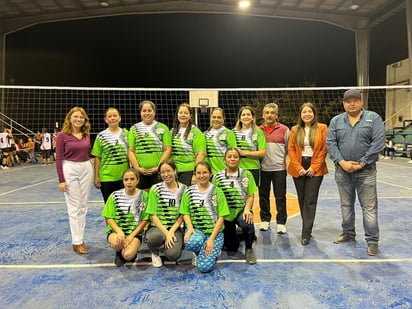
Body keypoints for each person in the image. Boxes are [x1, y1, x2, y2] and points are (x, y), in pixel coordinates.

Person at [326, 89, 385, 256]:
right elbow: (331, 143)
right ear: (344, 103)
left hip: (366, 171)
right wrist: (342, 162)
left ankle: (372, 241)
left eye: (355, 100)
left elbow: (378, 143)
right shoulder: (336, 121)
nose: (352, 103)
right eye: (348, 101)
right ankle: (348, 234)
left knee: (369, 208)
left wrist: (362, 163)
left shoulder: (373, 118)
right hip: (342, 171)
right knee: (346, 205)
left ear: (361, 102)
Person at [288, 103, 328, 245]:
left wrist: (314, 167)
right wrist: (298, 167)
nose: (307, 114)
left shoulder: (322, 128)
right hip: (298, 167)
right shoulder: (295, 129)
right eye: (304, 112)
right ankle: (307, 227)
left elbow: (324, 149)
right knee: (301, 199)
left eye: (309, 111)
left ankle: (306, 233)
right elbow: (291, 149)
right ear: (300, 114)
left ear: (314, 114)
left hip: (315, 167)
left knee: (310, 200)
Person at [55, 107, 93, 255]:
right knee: (74, 207)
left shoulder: (86, 134)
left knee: (83, 206)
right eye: (76, 117)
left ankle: (81, 238)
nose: (78, 119)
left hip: (86, 168)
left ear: (85, 120)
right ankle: (77, 242)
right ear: (70, 118)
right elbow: (58, 158)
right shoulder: (62, 135)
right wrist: (61, 180)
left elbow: (87, 153)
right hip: (69, 168)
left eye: (81, 117)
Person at [180, 161, 230, 273]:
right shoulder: (189, 191)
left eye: (205, 172)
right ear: (195, 174)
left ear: (210, 174)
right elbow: (185, 212)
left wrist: (211, 239)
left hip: (214, 233)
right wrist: (190, 228)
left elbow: (221, 217)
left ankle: (213, 249)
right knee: (191, 242)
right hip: (197, 230)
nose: (202, 176)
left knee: (204, 267)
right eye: (198, 173)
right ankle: (198, 252)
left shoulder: (217, 192)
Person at [212, 148, 258, 264]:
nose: (232, 159)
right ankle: (239, 234)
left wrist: (247, 209)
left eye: (235, 157)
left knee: (246, 221)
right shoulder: (217, 177)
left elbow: (251, 195)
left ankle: (249, 249)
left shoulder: (246, 174)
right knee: (232, 246)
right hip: (226, 214)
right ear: (224, 160)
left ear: (239, 159)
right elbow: (213, 197)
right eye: (229, 156)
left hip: (240, 210)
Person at [102, 168, 149, 266]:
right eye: (126, 179)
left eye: (132, 179)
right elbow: (108, 217)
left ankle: (128, 251)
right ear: (123, 181)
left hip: (134, 233)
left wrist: (131, 236)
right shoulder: (114, 196)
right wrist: (119, 232)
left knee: (128, 255)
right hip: (117, 232)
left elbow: (145, 220)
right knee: (117, 243)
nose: (129, 182)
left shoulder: (144, 196)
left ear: (137, 180)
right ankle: (118, 252)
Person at [145, 159, 187, 267]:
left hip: (175, 227)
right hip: (158, 227)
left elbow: (183, 214)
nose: (166, 174)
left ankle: (171, 244)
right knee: (153, 238)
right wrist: (166, 233)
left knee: (173, 255)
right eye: (162, 172)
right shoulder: (155, 189)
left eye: (168, 171)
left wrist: (171, 231)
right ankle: (154, 252)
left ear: (175, 171)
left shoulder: (184, 189)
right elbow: (152, 215)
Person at [258, 103, 290, 233]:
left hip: (279, 169)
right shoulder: (258, 130)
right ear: (263, 115)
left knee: (280, 196)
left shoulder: (284, 129)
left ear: (276, 115)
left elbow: (288, 148)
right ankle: (265, 220)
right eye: (267, 112)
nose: (269, 115)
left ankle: (281, 222)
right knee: (263, 195)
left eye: (272, 113)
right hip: (263, 169)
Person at [128, 101, 172, 191]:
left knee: (157, 199)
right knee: (141, 200)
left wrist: (159, 167)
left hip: (158, 172)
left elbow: (167, 149)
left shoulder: (163, 128)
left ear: (154, 112)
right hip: (140, 172)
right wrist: (137, 168)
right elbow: (131, 151)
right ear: (140, 113)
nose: (147, 113)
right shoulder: (134, 129)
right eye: (144, 111)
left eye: (149, 110)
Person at [92, 107, 129, 203]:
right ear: (106, 119)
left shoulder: (127, 134)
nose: (112, 118)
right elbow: (97, 158)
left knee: (124, 206)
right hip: (106, 177)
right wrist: (96, 176)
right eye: (110, 116)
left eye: (115, 116)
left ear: (119, 118)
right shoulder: (101, 136)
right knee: (110, 207)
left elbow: (132, 153)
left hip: (124, 177)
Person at [170, 103, 206, 186]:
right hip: (173, 171)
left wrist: (195, 174)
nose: (183, 115)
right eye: (180, 112)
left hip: (188, 170)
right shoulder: (172, 131)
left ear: (190, 116)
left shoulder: (196, 132)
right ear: (177, 114)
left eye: (186, 113)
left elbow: (201, 154)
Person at [232, 106, 267, 188]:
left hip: (253, 168)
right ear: (240, 118)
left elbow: (262, 152)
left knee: (250, 195)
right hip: (237, 168)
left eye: (248, 114)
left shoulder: (258, 132)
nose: (246, 117)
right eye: (243, 115)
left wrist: (244, 153)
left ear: (252, 118)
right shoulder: (233, 132)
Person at [204, 107, 237, 174]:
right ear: (210, 118)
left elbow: (234, 154)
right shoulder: (205, 134)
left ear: (223, 119)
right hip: (209, 173)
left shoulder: (229, 133)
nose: (216, 119)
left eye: (219, 117)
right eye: (214, 117)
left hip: (224, 171)